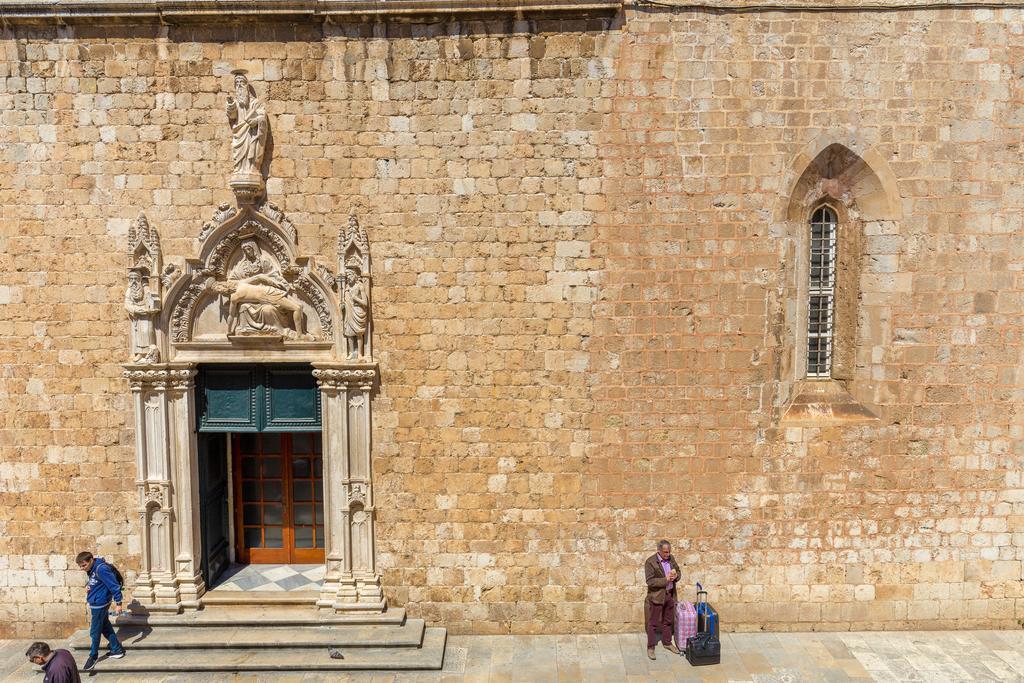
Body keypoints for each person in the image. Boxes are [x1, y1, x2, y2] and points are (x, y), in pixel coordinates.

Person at [75, 551, 126, 670]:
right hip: (96, 602)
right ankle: (116, 649)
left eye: (84, 565)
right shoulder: (93, 569)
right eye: (80, 566)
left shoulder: (101, 569)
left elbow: (114, 586)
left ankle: (93, 656)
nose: (82, 568)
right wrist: (89, 586)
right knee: (105, 627)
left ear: (91, 560)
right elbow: (96, 581)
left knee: (95, 632)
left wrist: (118, 603)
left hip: (100, 604)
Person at [644, 539, 682, 660]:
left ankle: (667, 643)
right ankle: (650, 647)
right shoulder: (650, 562)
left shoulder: (671, 558)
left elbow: (679, 571)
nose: (667, 554)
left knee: (668, 621)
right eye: (665, 552)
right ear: (659, 551)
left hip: (670, 595)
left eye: (669, 552)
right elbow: (650, 581)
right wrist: (665, 579)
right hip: (657, 597)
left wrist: (676, 576)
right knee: (653, 623)